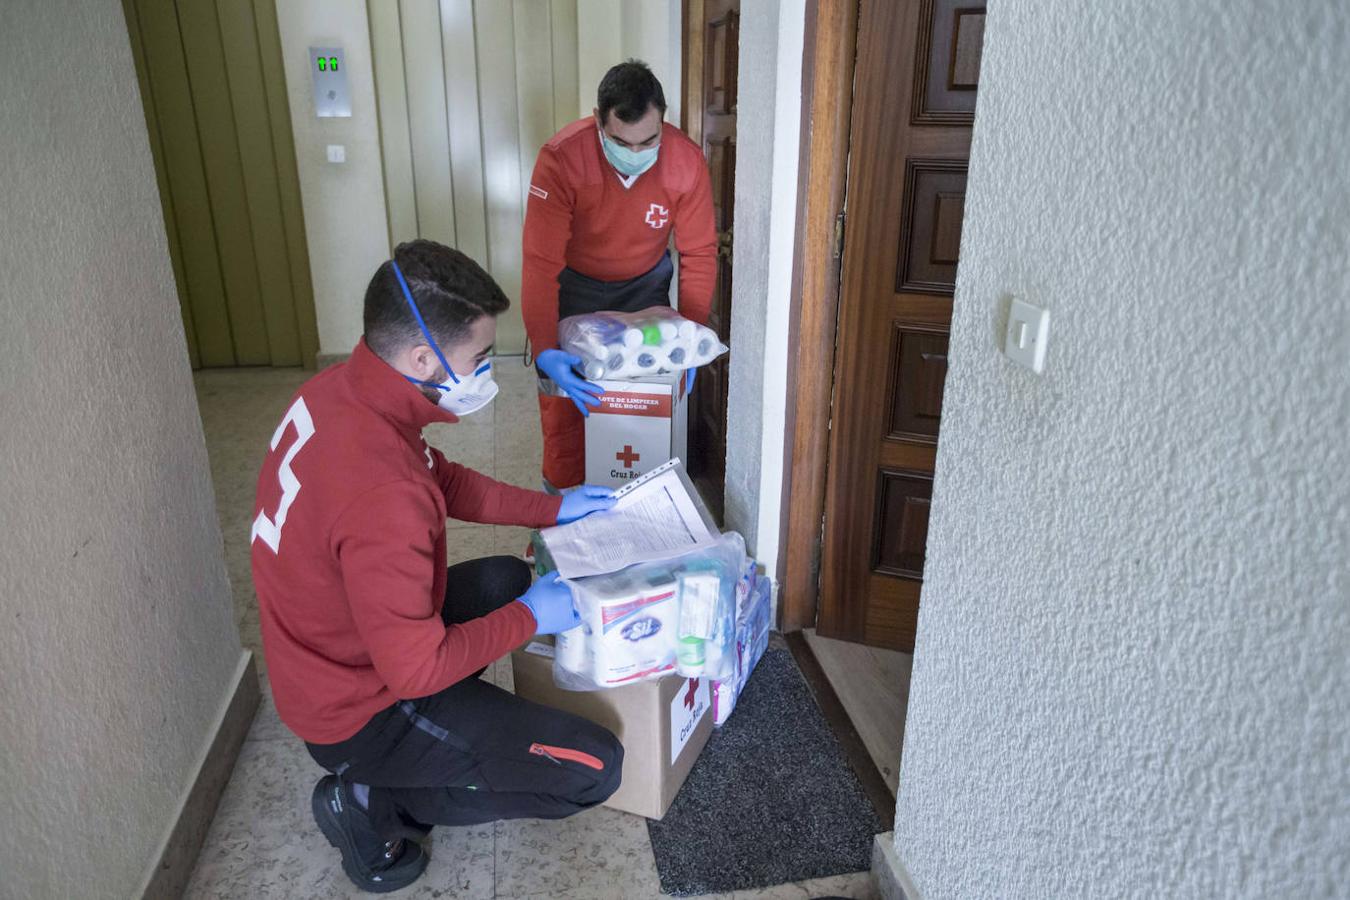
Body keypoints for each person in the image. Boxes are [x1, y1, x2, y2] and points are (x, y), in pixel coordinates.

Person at [250, 239, 624, 893]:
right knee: (594, 766)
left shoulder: (342, 392)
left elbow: (444, 480)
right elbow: (415, 668)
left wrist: (554, 510)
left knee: (508, 577)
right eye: (479, 358)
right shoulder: (382, 494)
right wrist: (531, 617)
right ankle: (377, 801)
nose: (486, 370)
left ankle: (419, 752)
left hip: (331, 649)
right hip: (358, 710)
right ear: (423, 357)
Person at [522, 59, 717, 490]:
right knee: (568, 411)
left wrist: (692, 334)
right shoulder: (562, 159)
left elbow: (699, 254)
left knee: (644, 406)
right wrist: (543, 348)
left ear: (663, 122)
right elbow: (540, 263)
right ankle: (562, 518)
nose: (634, 155)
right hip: (574, 288)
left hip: (644, 290)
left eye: (647, 141)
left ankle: (644, 509)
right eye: (619, 142)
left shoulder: (685, 162)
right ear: (597, 121)